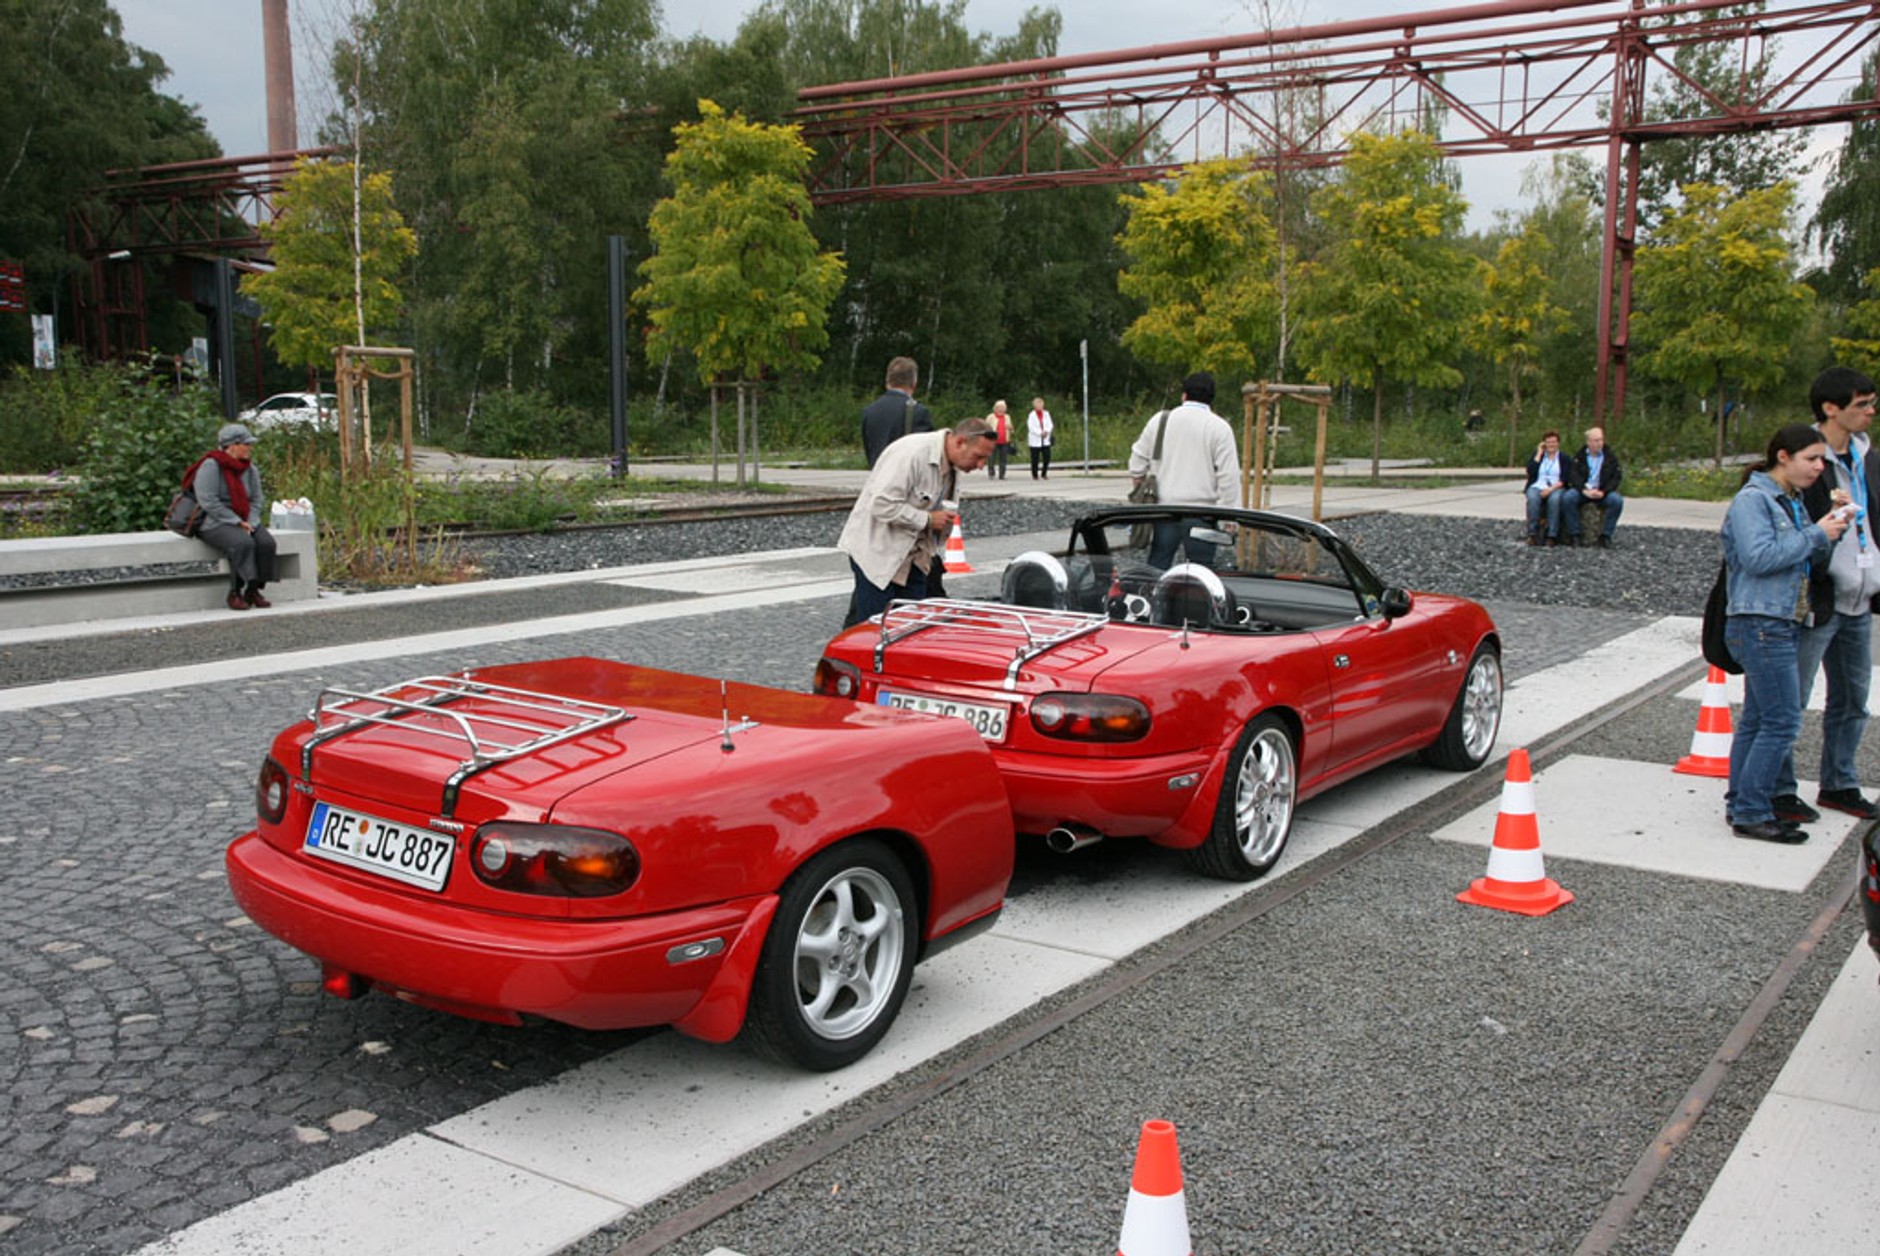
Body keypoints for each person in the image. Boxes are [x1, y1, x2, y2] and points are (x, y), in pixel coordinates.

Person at [1721, 423, 1847, 844]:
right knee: (1782, 721)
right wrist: (1815, 533)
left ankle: (1742, 801)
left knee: (1759, 719)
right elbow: (1759, 558)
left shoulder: (1788, 501)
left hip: (1778, 621)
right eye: (1811, 459)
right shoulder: (1754, 501)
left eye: (1822, 461)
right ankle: (1752, 811)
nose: (1818, 468)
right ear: (1783, 457)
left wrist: (1832, 527)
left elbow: (1804, 557)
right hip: (1761, 622)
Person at [1771, 367, 1880, 825]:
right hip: (1820, 598)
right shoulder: (1805, 457)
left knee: (1853, 699)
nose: (1871, 412)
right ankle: (1779, 790)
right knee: (1791, 700)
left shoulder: (1867, 454)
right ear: (1831, 408)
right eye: (1862, 405)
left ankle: (1838, 782)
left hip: (1860, 597)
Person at [839, 418, 997, 626]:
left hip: (914, 559)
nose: (980, 466)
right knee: (875, 630)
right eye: (978, 458)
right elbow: (881, 504)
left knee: (911, 630)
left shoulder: (953, 464)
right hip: (878, 554)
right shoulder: (912, 453)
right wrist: (928, 519)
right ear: (960, 442)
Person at [1127, 371, 1240, 570]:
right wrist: (1229, 516)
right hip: (1203, 513)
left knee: (1158, 566)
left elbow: (1137, 459)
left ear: (1184, 395)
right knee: (1200, 571)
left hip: (1165, 510)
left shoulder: (1160, 420)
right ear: (1211, 398)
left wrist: (1140, 482)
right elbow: (1228, 477)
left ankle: (1154, 598)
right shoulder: (1219, 428)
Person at [190, 422, 277, 612]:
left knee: (266, 543)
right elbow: (208, 501)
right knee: (242, 543)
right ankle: (235, 592)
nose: (249, 448)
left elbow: (257, 499)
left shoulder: (249, 469)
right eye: (245, 444)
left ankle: (253, 590)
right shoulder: (210, 466)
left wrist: (251, 521)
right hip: (215, 522)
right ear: (232, 445)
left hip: (246, 519)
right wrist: (236, 522)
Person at [860, 356, 932, 469]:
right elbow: (924, 456)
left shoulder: (869, 411)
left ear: (887, 382)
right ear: (914, 384)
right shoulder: (918, 412)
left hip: (877, 480)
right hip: (904, 482)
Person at [1561, 426, 1625, 548]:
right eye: (1596, 440)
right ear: (1588, 442)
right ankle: (1575, 534)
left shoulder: (1609, 456)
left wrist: (1604, 491)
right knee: (1568, 498)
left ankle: (1606, 535)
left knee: (1617, 501)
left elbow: (1616, 476)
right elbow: (1573, 475)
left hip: (1602, 491)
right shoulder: (1579, 457)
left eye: (1601, 440)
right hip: (1584, 491)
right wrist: (1583, 489)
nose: (1599, 443)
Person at [1523, 431, 1568, 546]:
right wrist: (1538, 453)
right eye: (1548, 442)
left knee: (1555, 500)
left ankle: (1551, 535)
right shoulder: (1539, 456)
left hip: (1556, 486)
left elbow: (1565, 478)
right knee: (1532, 498)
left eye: (1553, 442)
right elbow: (1530, 471)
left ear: (1558, 443)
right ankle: (1532, 533)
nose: (1551, 445)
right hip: (1538, 485)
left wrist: (1550, 489)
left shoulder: (1564, 458)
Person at [1026, 396, 1053, 479]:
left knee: (1047, 457)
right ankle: (1035, 474)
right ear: (1034, 406)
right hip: (1035, 439)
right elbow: (1031, 427)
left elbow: (1050, 424)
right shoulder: (1031, 415)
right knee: (1035, 458)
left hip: (1045, 439)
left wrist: (1046, 431)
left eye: (1041, 405)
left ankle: (1044, 473)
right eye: (1037, 405)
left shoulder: (1046, 414)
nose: (1039, 406)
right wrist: (1040, 433)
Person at [986, 399, 1012, 480]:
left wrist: (1010, 428)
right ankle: (991, 471)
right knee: (991, 458)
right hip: (993, 441)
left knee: (1003, 458)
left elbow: (1011, 429)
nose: (1001, 409)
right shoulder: (990, 417)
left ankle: (1002, 474)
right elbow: (986, 427)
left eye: (1003, 407)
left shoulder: (1007, 417)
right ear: (995, 408)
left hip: (1004, 441)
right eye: (999, 407)